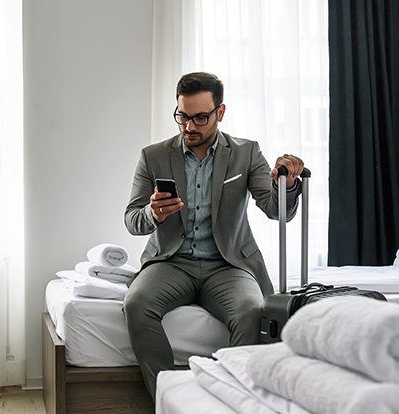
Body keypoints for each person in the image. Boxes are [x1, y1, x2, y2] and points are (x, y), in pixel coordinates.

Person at [124, 72, 304, 400]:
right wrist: (153, 213)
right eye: (182, 116)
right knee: (136, 304)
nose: (189, 126)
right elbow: (132, 220)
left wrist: (287, 185)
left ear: (220, 112)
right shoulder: (154, 156)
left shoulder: (246, 153)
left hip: (228, 265)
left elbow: (276, 211)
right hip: (171, 263)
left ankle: (232, 400)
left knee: (252, 311)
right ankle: (168, 397)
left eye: (200, 118)